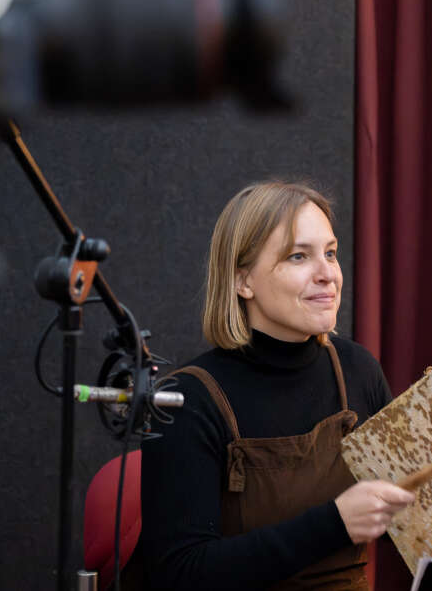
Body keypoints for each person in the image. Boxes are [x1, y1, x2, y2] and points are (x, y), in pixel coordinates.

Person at [139, 181, 415, 590]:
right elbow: (179, 573)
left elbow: (416, 519)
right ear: (243, 281)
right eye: (299, 256)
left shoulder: (358, 369)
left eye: (331, 253)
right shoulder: (187, 400)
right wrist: (334, 525)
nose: (328, 275)